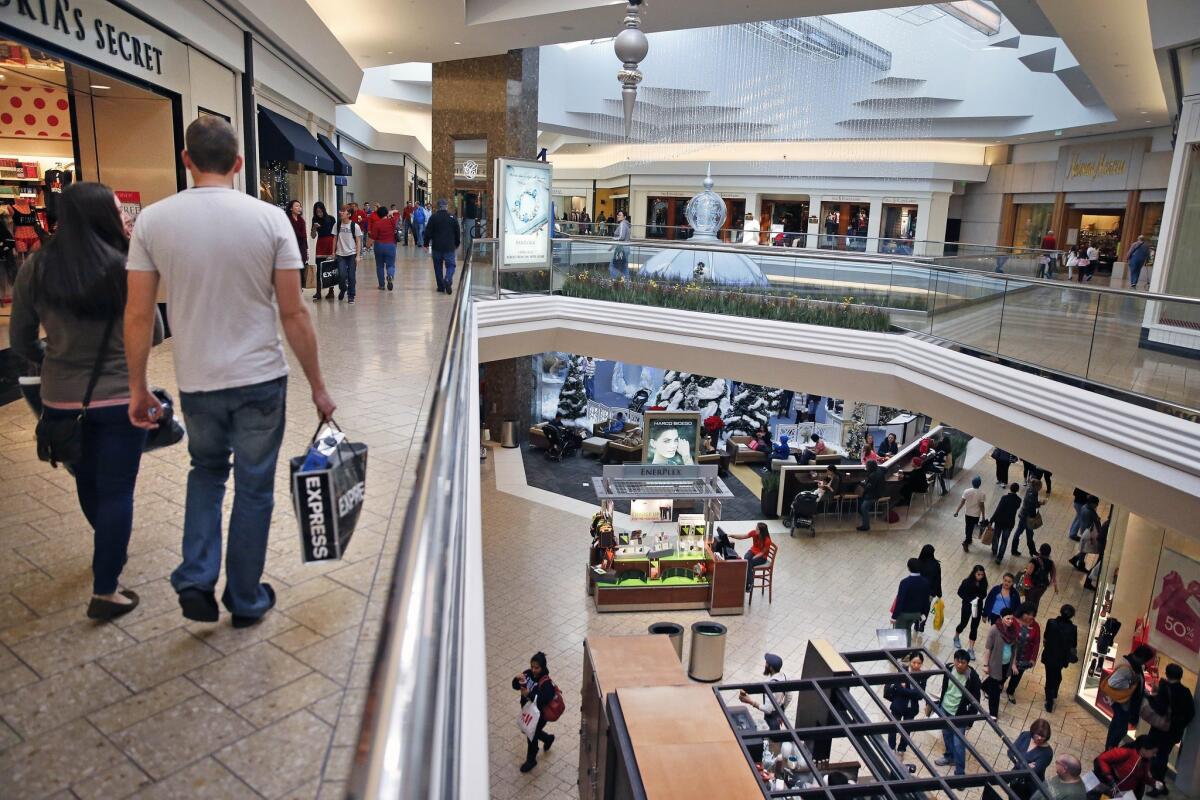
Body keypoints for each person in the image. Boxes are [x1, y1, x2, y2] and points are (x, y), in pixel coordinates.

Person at [125, 115, 336, 627]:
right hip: (261, 378)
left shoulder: (153, 221)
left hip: (198, 381)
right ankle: (244, 598)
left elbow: (137, 312)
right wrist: (318, 387)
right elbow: (294, 313)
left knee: (207, 473)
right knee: (255, 487)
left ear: (186, 160)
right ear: (240, 164)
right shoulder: (269, 220)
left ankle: (197, 576)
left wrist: (136, 388)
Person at [10, 183, 163, 620]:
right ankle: (106, 587)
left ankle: (107, 544)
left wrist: (53, 354)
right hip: (120, 397)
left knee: (87, 479)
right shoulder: (128, 267)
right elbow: (152, 333)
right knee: (118, 490)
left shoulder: (36, 268)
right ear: (104, 216)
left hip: (59, 400)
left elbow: (20, 339)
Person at [929, 649, 982, 776]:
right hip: (944, 708)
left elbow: (976, 701)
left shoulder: (973, 677)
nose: (959, 665)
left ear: (967, 664)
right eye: (957, 661)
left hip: (960, 715)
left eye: (962, 662)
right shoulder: (948, 668)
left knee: (959, 744)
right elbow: (946, 688)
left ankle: (960, 772)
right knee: (946, 735)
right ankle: (949, 756)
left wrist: (970, 720)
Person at [1145, 663, 1195, 797]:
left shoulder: (1164, 689)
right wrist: (1178, 725)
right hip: (1173, 733)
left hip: (1160, 730)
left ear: (1167, 674)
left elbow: (1159, 709)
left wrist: (1152, 695)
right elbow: (1190, 713)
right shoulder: (1186, 692)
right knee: (1163, 756)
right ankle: (1161, 784)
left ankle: (1158, 785)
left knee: (1157, 758)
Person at [1105, 645, 1158, 749]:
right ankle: (1109, 751)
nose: (1145, 663)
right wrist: (1131, 685)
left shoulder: (1135, 666)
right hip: (1122, 703)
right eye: (1145, 660)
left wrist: (1145, 692)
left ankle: (1110, 749)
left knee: (1120, 728)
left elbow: (1139, 684)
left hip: (1125, 704)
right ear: (1141, 658)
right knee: (1118, 729)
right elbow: (1112, 683)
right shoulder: (1127, 667)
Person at [513, 651, 556, 773]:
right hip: (528, 711)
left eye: (536, 667)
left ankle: (531, 760)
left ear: (543, 667)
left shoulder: (547, 683)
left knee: (531, 735)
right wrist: (517, 680)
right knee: (531, 731)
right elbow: (516, 686)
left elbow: (544, 699)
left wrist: (529, 695)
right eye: (532, 666)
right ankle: (548, 739)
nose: (533, 670)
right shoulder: (528, 674)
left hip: (540, 716)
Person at [885, 653, 927, 753]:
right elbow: (898, 689)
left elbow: (921, 695)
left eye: (919, 663)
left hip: (911, 708)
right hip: (898, 705)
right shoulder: (902, 671)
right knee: (893, 728)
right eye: (914, 662)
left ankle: (901, 749)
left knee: (906, 730)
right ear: (910, 662)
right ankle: (891, 748)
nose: (916, 665)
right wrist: (913, 692)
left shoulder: (923, 676)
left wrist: (906, 690)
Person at [738, 653, 791, 730]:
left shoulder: (769, 685)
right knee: (775, 732)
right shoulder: (785, 676)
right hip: (778, 711)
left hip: (771, 717)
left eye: (767, 663)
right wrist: (781, 712)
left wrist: (750, 701)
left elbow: (768, 709)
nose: (765, 665)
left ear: (771, 668)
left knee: (773, 735)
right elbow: (789, 697)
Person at [981, 610, 1019, 717]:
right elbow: (988, 648)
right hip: (995, 665)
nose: (1010, 621)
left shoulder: (1013, 630)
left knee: (998, 681)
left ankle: (983, 686)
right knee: (995, 692)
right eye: (1008, 618)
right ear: (1001, 617)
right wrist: (985, 665)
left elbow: (1015, 648)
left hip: (1006, 664)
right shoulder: (994, 629)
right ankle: (993, 714)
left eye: (1012, 618)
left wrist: (1013, 664)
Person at [1041, 604, 1078, 712]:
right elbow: (1074, 644)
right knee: (1056, 675)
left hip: (1049, 655)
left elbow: (1046, 636)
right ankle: (1052, 696)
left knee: (1050, 677)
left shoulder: (1051, 622)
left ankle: (1050, 698)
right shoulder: (1073, 629)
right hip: (1061, 658)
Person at [1004, 603, 1042, 703]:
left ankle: (1010, 691)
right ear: (1022, 613)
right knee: (1004, 672)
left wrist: (1033, 658)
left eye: (1032, 614)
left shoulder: (1035, 626)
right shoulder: (1013, 621)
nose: (1031, 616)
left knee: (1017, 676)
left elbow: (1036, 643)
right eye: (1028, 614)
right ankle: (999, 685)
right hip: (1010, 654)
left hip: (1024, 657)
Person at [424, 198, 460, 294]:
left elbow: (428, 232)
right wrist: (457, 243)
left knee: (437, 267)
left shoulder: (433, 217)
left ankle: (441, 287)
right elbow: (457, 232)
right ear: (446, 206)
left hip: (437, 247)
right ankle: (448, 279)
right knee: (451, 265)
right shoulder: (452, 217)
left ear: (437, 207)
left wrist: (426, 244)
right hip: (449, 246)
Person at [891, 558, 932, 641]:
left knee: (899, 634)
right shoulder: (925, 582)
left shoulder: (905, 582)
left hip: (904, 614)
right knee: (908, 630)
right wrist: (924, 613)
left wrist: (894, 617)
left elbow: (900, 600)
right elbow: (926, 600)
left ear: (908, 568)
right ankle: (908, 649)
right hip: (916, 614)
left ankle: (900, 652)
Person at [953, 564, 988, 658]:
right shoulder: (966, 582)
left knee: (974, 627)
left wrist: (978, 598)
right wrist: (970, 599)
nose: (980, 576)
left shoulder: (984, 583)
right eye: (978, 574)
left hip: (977, 607)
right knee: (963, 623)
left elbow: (984, 594)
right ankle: (956, 636)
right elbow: (960, 592)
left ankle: (971, 648)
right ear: (974, 573)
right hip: (967, 606)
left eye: (982, 574)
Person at [331, 205, 362, 304]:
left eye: (343, 211)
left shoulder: (355, 226)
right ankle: (343, 288)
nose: (340, 213)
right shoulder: (337, 224)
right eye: (341, 211)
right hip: (340, 254)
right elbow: (335, 238)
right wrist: (333, 252)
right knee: (341, 275)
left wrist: (358, 255)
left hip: (351, 254)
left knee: (351, 276)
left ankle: (351, 295)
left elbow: (358, 240)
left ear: (349, 214)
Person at [729, 523, 773, 591]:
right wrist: (732, 535)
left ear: (761, 531)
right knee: (746, 559)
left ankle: (749, 583)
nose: (755, 530)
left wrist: (754, 557)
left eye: (757, 529)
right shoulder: (754, 533)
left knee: (749, 562)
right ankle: (749, 581)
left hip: (762, 557)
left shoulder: (767, 541)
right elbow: (743, 536)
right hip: (753, 551)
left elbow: (762, 553)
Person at [988, 483, 1023, 564]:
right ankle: (999, 558)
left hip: (1000, 521)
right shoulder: (1018, 500)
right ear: (1017, 490)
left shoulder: (1004, 498)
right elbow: (1016, 508)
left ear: (1010, 488)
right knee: (1004, 540)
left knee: (996, 537)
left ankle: (994, 550)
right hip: (1009, 523)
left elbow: (998, 510)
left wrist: (991, 520)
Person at [1012, 477, 1045, 557]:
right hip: (1028, 517)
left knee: (1022, 533)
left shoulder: (1030, 489)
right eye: (1040, 487)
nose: (1041, 488)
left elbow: (1030, 502)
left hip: (1024, 515)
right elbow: (1031, 505)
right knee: (1028, 534)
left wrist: (1037, 503)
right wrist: (1040, 503)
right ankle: (1032, 551)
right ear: (1037, 486)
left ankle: (1015, 550)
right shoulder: (1034, 492)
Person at [310, 201, 336, 301]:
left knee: (330, 269)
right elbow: (312, 236)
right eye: (317, 212)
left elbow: (335, 234)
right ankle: (318, 292)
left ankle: (331, 291)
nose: (319, 213)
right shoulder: (315, 219)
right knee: (319, 268)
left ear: (324, 210)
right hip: (320, 243)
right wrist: (314, 228)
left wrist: (335, 248)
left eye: (320, 211)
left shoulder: (331, 218)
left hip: (330, 243)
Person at [368, 205, 397, 291]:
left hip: (379, 246)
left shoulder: (377, 224)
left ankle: (381, 285)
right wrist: (391, 213)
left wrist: (368, 245)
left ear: (378, 215)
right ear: (387, 213)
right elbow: (397, 213)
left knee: (379, 266)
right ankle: (390, 275)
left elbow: (373, 237)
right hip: (390, 246)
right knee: (391, 265)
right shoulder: (392, 221)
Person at [954, 476, 988, 551]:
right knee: (973, 528)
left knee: (968, 526)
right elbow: (982, 506)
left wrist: (957, 511)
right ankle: (967, 541)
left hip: (968, 513)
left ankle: (968, 539)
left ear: (972, 483)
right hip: (976, 515)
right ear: (980, 484)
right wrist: (983, 516)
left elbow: (962, 502)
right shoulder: (982, 493)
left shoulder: (967, 491)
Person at [1024, 543, 1057, 615]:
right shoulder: (1051, 562)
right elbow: (1053, 575)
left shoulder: (1034, 560)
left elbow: (1028, 573)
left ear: (1040, 550)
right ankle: (1033, 615)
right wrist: (1053, 586)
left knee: (1029, 600)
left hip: (1032, 584)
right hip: (1043, 586)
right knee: (1036, 600)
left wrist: (1024, 582)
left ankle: (1027, 615)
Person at [856, 460, 884, 531]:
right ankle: (864, 519)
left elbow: (870, 487)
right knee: (862, 503)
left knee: (863, 508)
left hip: (873, 495)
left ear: (870, 467)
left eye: (867, 466)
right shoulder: (879, 470)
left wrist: (863, 487)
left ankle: (866, 526)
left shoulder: (873, 475)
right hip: (879, 492)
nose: (866, 467)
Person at [286, 199, 308, 288]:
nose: (299, 208)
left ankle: (299, 288)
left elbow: (304, 235)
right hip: (291, 246)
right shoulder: (287, 219)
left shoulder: (301, 220)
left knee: (301, 268)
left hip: (301, 246)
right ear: (291, 208)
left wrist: (307, 249)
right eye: (296, 206)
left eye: (300, 206)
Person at [610, 210, 631, 276]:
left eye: (620, 215)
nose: (618, 216)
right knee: (624, 267)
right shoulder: (626, 224)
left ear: (624, 217)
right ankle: (627, 282)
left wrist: (613, 239)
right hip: (626, 248)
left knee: (613, 266)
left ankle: (615, 282)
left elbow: (621, 237)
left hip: (621, 249)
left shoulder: (622, 224)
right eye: (617, 215)